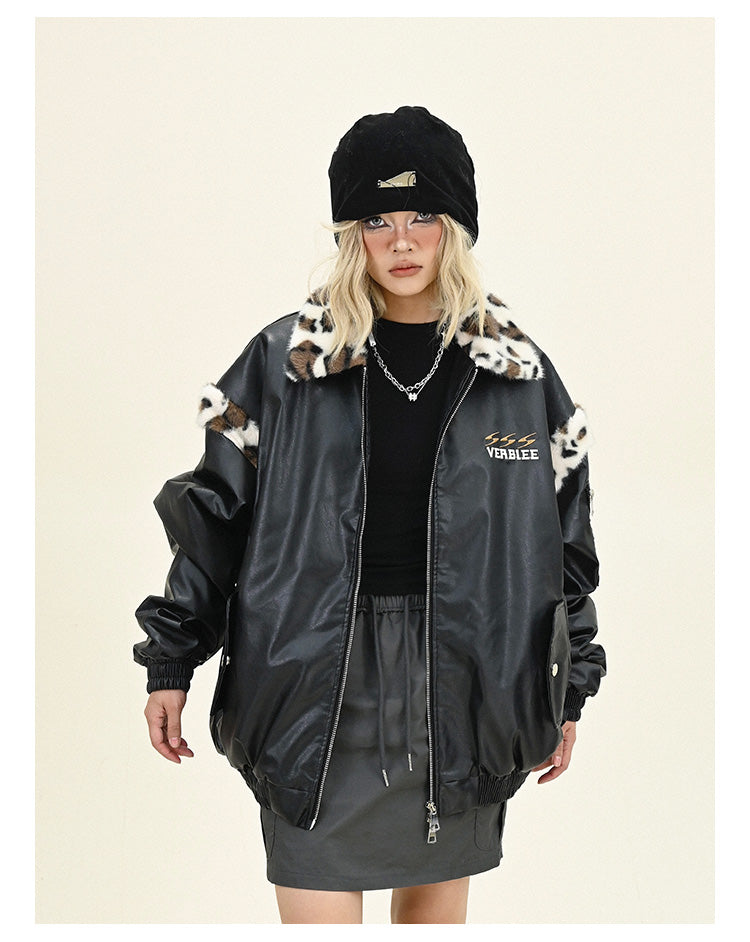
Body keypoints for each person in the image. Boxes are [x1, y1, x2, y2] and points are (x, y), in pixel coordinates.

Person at [133, 105, 606, 925]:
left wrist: (567, 689)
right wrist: (171, 660)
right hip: (312, 677)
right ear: (351, 235)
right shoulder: (284, 364)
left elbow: (563, 546)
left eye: (424, 216)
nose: (402, 242)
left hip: (468, 685)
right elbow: (212, 521)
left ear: (457, 228)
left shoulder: (518, 375)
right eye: (377, 220)